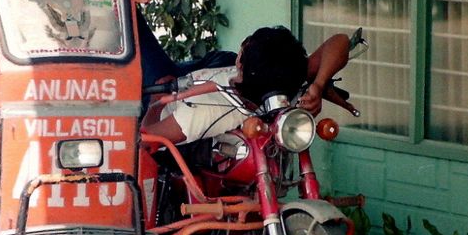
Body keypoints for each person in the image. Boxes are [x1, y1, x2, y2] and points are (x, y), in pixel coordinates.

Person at [141, 26, 350, 144]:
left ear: (242, 63)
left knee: (133, 26)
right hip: (214, 68)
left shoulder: (199, 113)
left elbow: (145, 139)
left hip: (165, 93)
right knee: (223, 57)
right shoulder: (284, 81)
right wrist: (319, 85)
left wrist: (155, 102)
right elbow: (341, 41)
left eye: (246, 46)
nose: (243, 43)